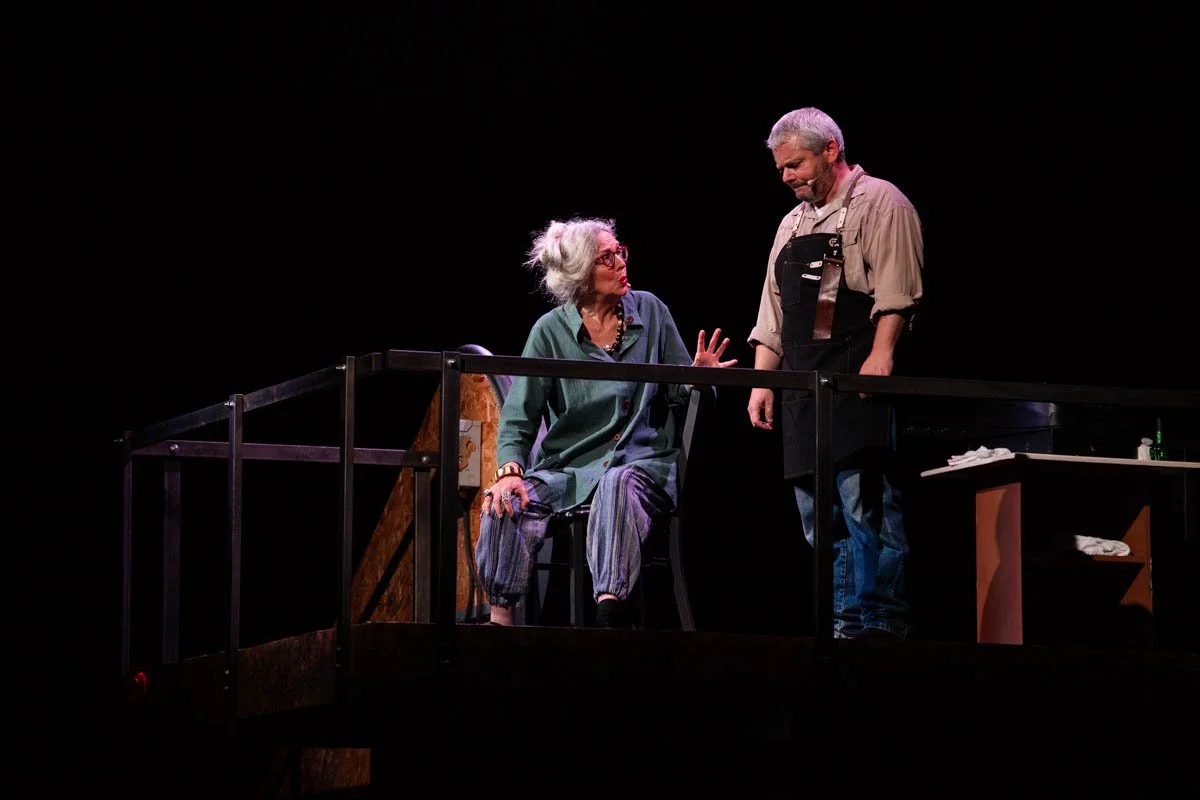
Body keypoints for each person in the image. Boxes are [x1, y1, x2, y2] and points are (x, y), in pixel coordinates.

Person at [476, 216, 736, 628]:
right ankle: (500, 625)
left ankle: (609, 615)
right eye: (606, 258)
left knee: (616, 483)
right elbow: (518, 416)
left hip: (642, 465)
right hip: (570, 469)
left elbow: (683, 401)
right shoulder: (549, 332)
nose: (620, 263)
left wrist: (698, 379)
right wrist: (509, 471)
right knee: (506, 498)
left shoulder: (650, 311)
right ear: (581, 274)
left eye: (620, 252)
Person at [746, 107, 924, 640]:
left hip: (855, 376)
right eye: (780, 169)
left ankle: (879, 624)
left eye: (795, 164)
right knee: (817, 517)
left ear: (830, 150)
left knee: (866, 504)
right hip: (803, 383)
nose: (787, 177)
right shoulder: (792, 224)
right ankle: (843, 623)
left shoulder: (881, 203)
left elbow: (897, 291)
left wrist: (882, 354)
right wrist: (763, 380)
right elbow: (773, 313)